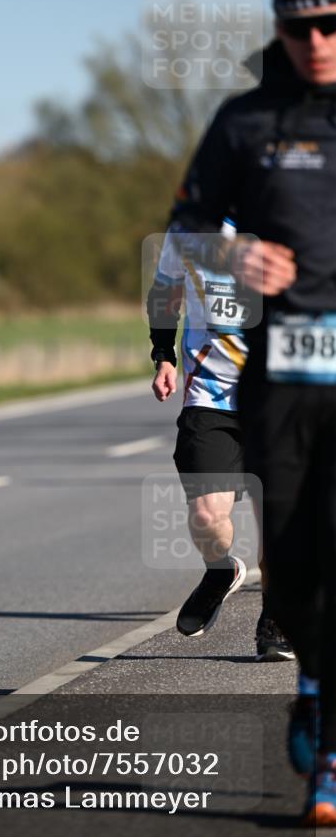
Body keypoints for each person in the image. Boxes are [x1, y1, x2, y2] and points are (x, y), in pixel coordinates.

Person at [172, 0, 336, 825]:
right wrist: (234, 255)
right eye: (298, 25)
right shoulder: (243, 122)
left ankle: (329, 746)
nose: (315, 41)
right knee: (297, 559)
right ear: (278, 24)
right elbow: (185, 228)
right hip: (279, 377)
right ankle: (311, 681)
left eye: (330, 23)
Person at [147, 219, 294, 660]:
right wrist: (163, 355)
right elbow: (165, 292)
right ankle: (220, 569)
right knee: (207, 516)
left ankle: (275, 621)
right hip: (210, 397)